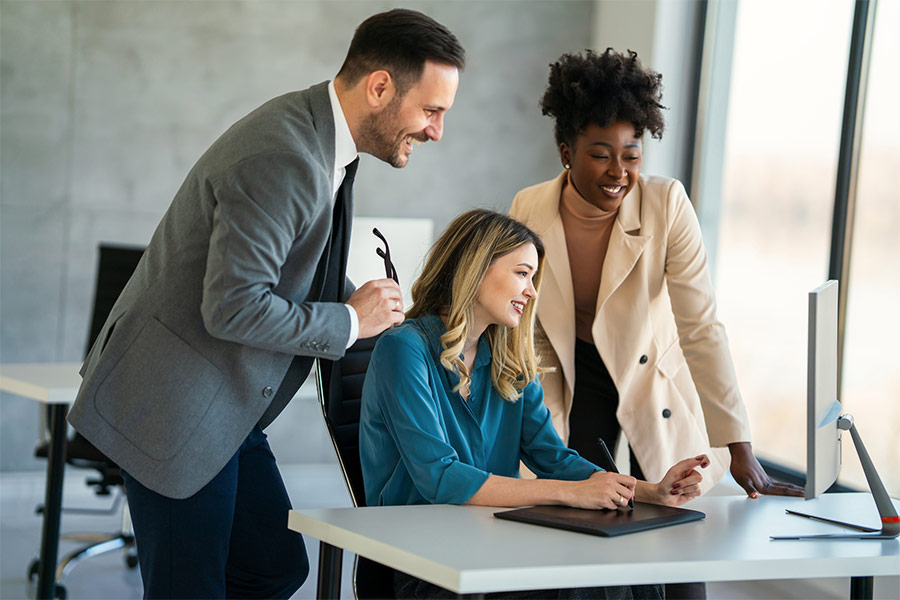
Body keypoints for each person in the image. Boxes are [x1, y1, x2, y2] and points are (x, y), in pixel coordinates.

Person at [66, 9, 464, 599]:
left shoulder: (323, 138)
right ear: (380, 87)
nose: (436, 131)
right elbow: (231, 307)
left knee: (273, 566)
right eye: (431, 111)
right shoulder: (286, 156)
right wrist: (353, 320)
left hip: (226, 403)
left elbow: (292, 269)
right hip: (174, 406)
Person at [509, 49, 804, 599]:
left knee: (680, 546)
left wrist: (738, 442)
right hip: (572, 373)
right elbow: (516, 320)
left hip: (652, 376)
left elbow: (701, 326)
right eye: (600, 154)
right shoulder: (529, 207)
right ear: (565, 151)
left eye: (631, 153)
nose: (618, 171)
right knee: (578, 526)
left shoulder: (667, 204)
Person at [360, 209, 710, 600]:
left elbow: (555, 459)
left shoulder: (507, 361)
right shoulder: (403, 349)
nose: (532, 291)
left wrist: (651, 492)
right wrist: (566, 493)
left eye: (533, 278)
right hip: (427, 563)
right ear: (475, 267)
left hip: (495, 544)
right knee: (590, 588)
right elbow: (439, 476)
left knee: (637, 574)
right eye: (522, 273)